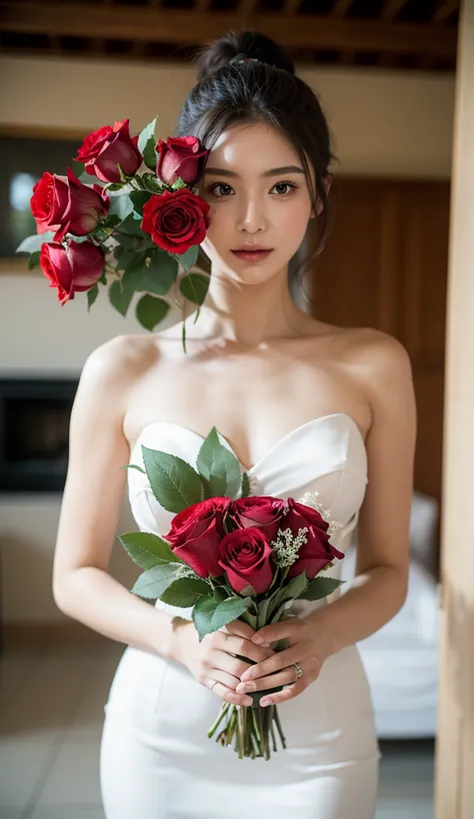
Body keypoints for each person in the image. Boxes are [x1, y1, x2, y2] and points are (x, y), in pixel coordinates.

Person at [52, 30, 417, 819]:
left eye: (282, 187)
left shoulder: (374, 365)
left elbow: (388, 569)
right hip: (162, 731)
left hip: (319, 734)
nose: (252, 219)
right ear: (180, 198)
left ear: (318, 193)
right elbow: (74, 575)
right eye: (222, 188)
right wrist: (183, 642)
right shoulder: (125, 367)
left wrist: (319, 636)